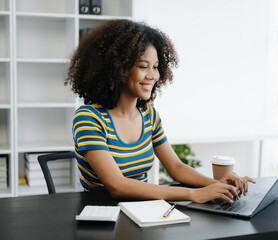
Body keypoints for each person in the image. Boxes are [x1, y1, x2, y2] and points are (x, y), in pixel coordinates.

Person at [65, 19, 255, 204]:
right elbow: (117, 185)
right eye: (143, 67)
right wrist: (193, 194)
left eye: (155, 67)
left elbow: (177, 167)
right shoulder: (88, 118)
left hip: (143, 211)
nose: (153, 75)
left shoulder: (149, 115)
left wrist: (217, 185)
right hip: (104, 217)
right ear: (116, 69)